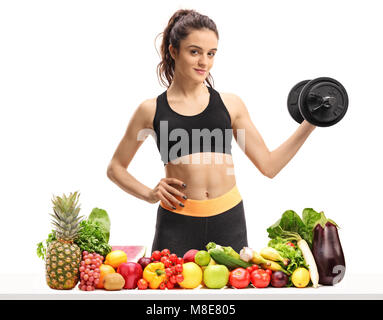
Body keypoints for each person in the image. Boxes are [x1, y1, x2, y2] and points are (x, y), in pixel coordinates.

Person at [106, 9, 316, 257]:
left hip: (228, 220)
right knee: (169, 295)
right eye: (194, 52)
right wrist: (150, 194)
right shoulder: (150, 110)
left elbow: (269, 166)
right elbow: (116, 168)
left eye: (211, 53)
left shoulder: (231, 105)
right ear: (174, 51)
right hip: (176, 223)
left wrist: (310, 121)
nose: (204, 62)